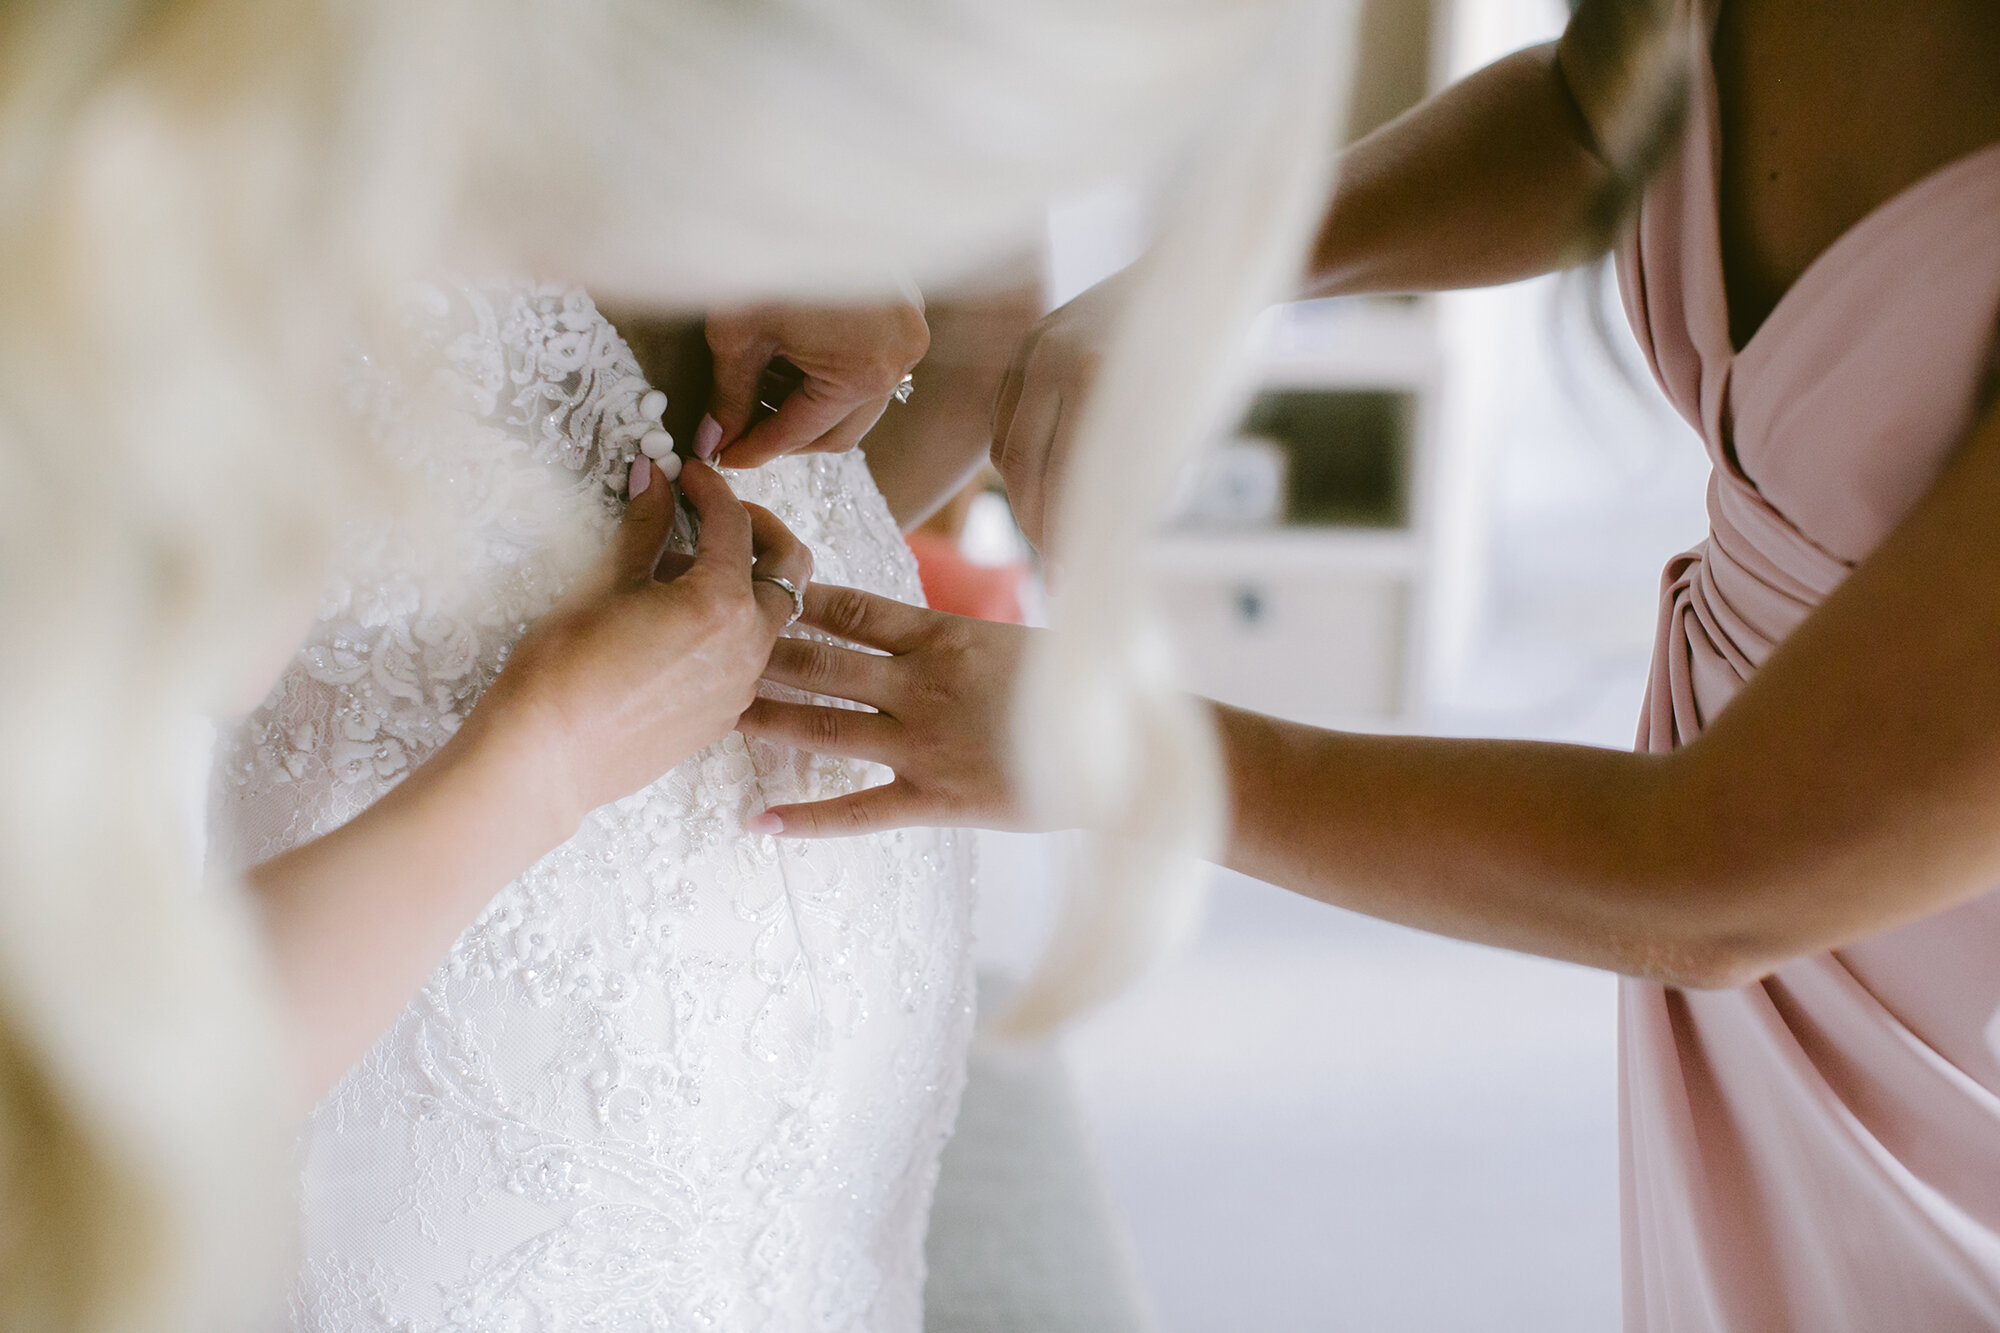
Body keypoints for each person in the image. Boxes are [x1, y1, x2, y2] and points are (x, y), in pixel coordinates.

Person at [736, 0, 2000, 1327]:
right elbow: (1592, 120)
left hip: (1909, 1008)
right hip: (1752, 960)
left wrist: (1116, 749)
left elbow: (1712, 881)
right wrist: (1217, 267)